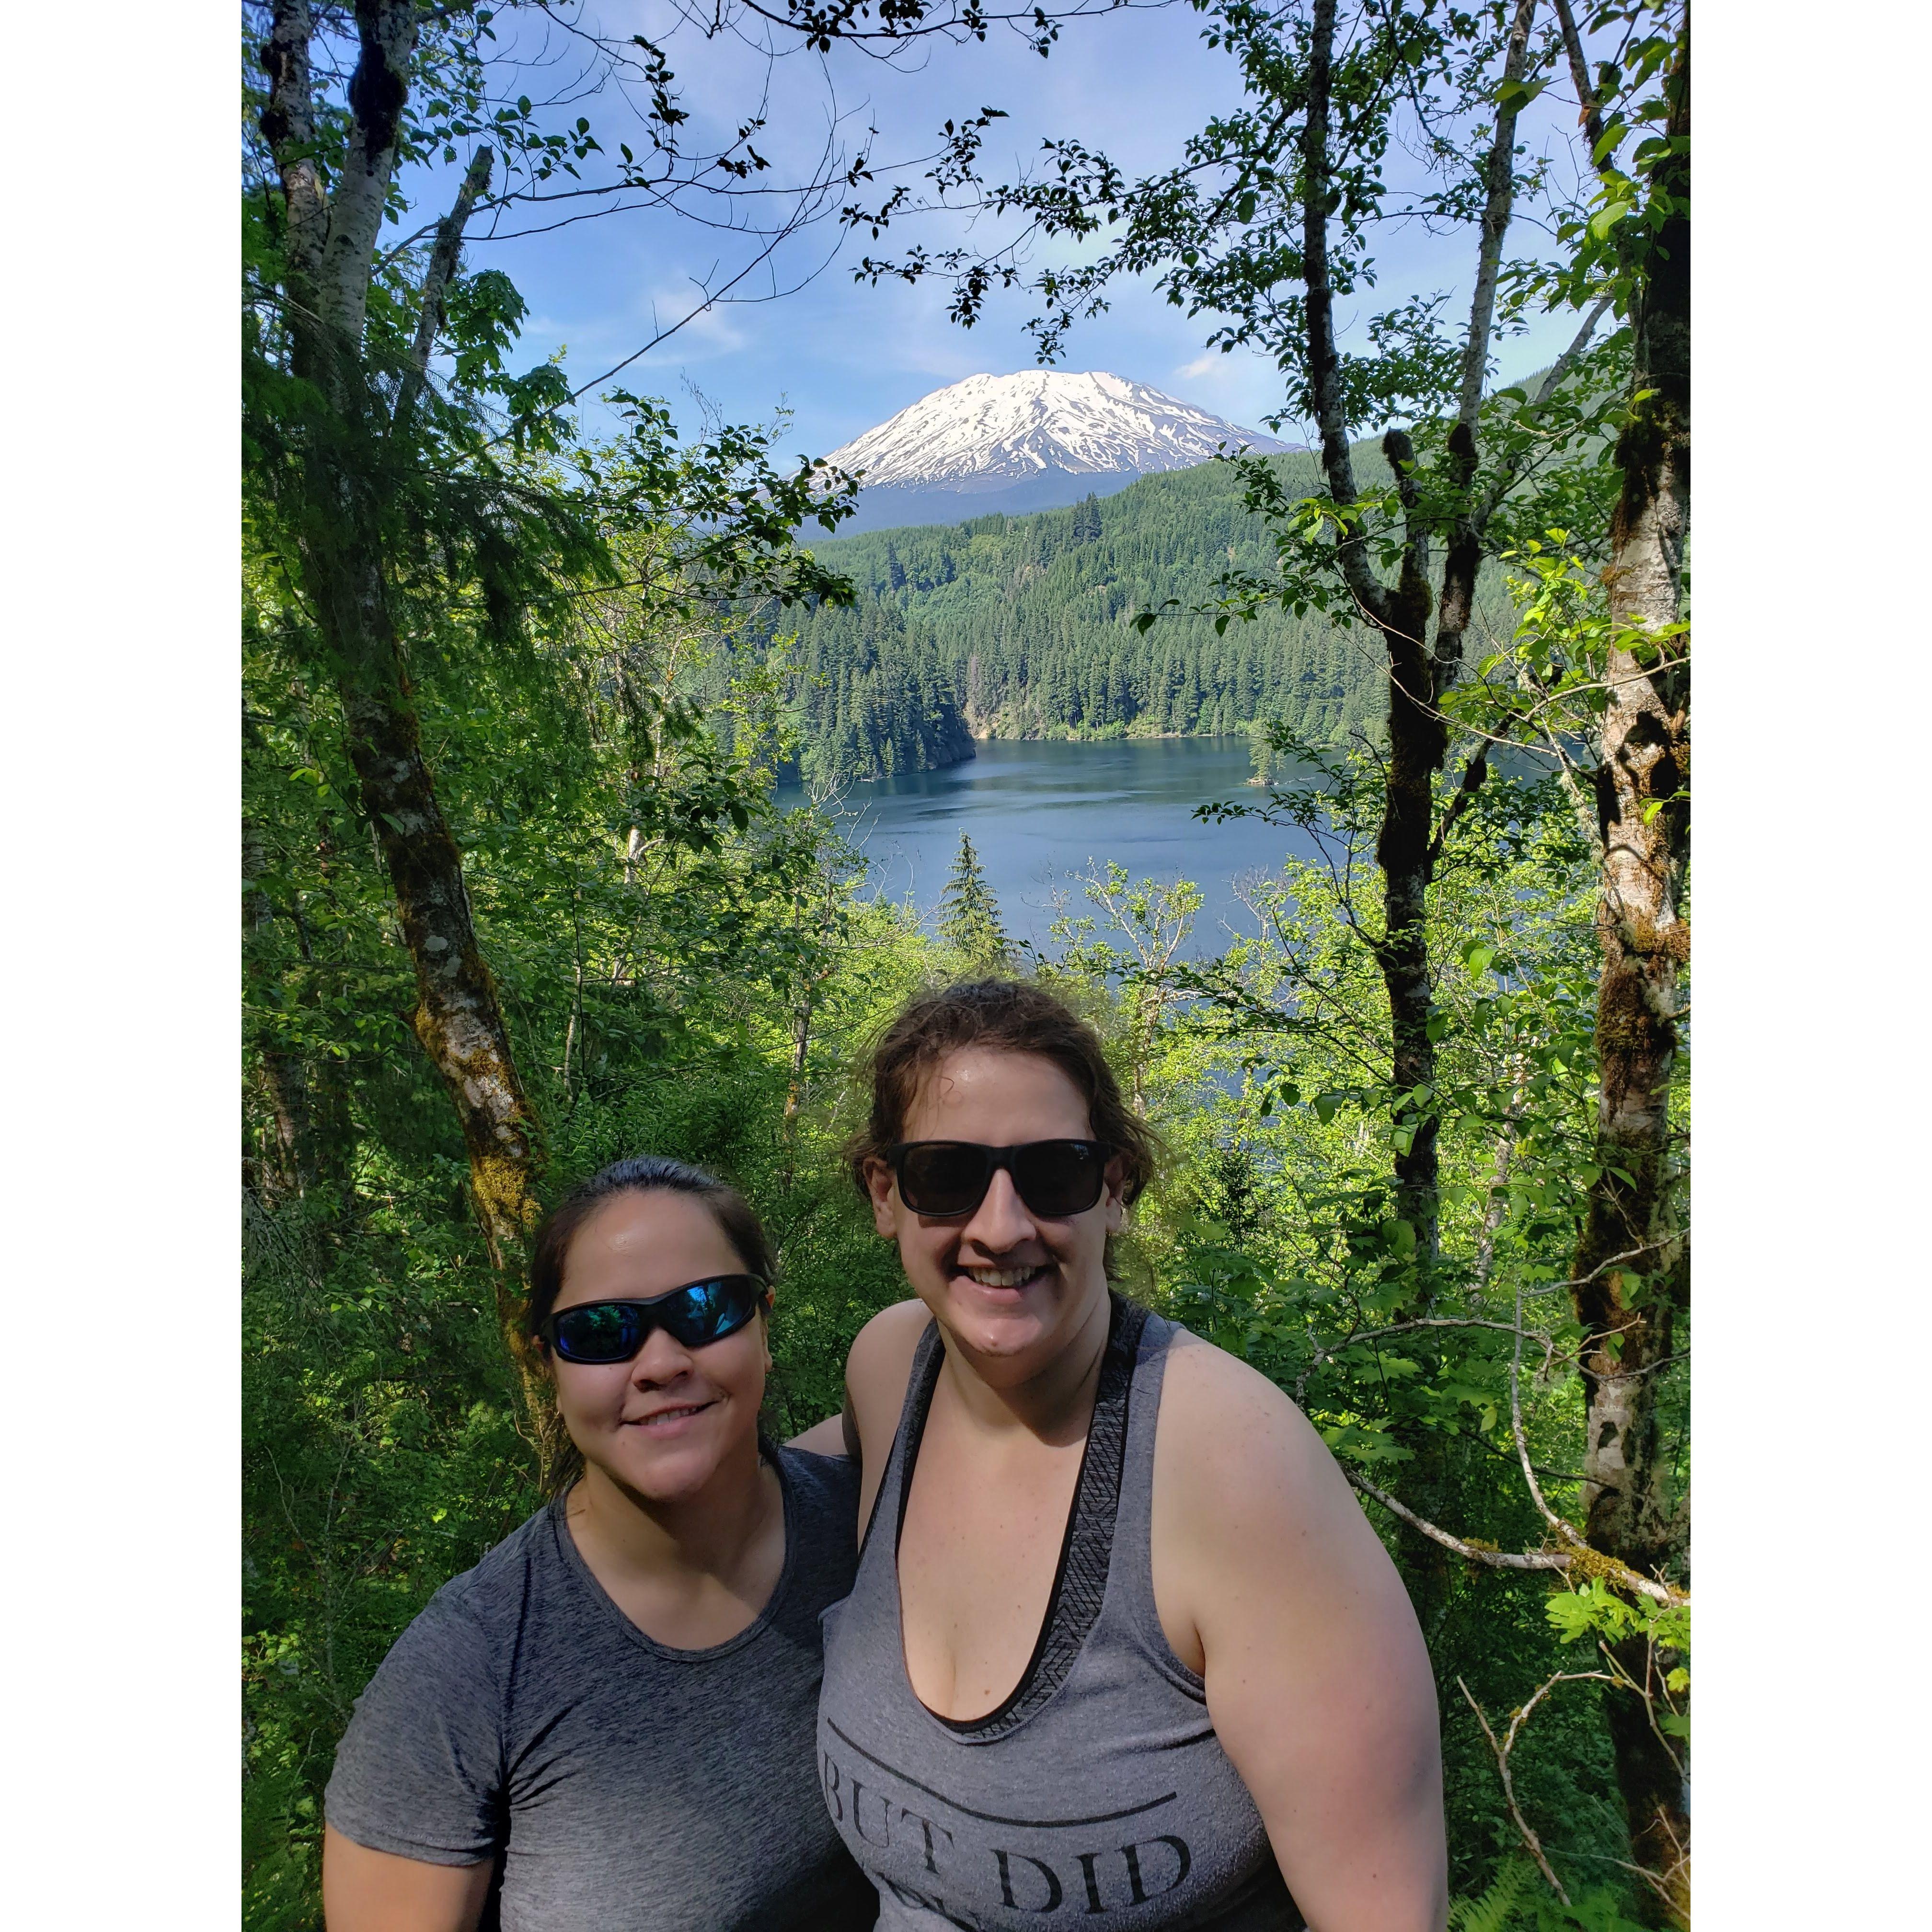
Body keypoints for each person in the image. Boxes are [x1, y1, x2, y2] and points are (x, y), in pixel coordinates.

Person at [820, 980, 1448, 1932]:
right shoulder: (887, 1370)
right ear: (885, 1194)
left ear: (1113, 1191)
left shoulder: (1236, 1472)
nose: (1000, 1226)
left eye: (1055, 1174)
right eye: (948, 1175)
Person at [322, 1155, 879, 1932]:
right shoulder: (466, 1675)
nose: (659, 1363)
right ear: (548, 1364)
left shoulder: (873, 1527)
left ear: (763, 1325)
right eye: (599, 1332)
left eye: (707, 1310)